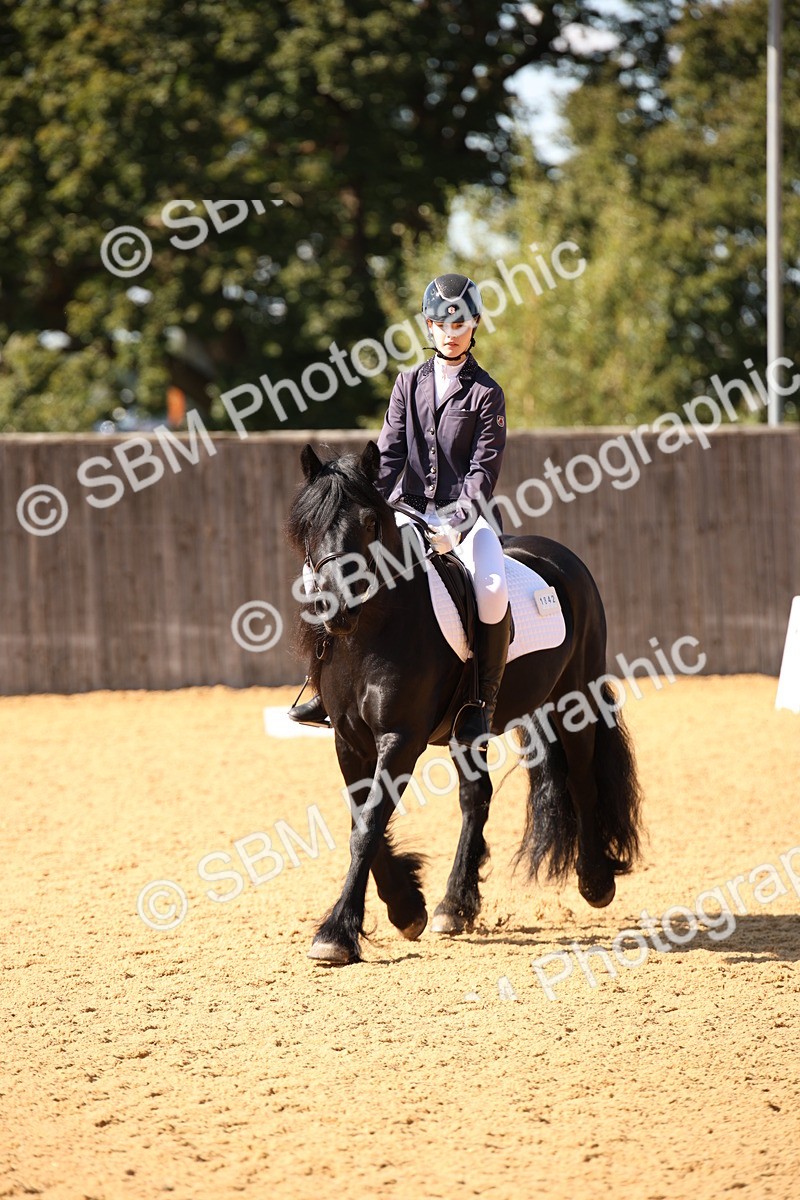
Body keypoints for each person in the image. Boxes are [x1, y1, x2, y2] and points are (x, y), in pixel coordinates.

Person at [289, 273, 511, 746]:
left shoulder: (486, 393)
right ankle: (321, 687)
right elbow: (388, 457)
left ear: (475, 324)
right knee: (335, 570)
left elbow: (482, 470)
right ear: (428, 327)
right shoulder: (408, 383)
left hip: (464, 522)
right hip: (407, 511)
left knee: (491, 588)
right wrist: (373, 504)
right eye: (441, 324)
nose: (451, 333)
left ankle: (480, 706)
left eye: (461, 324)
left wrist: (457, 523)